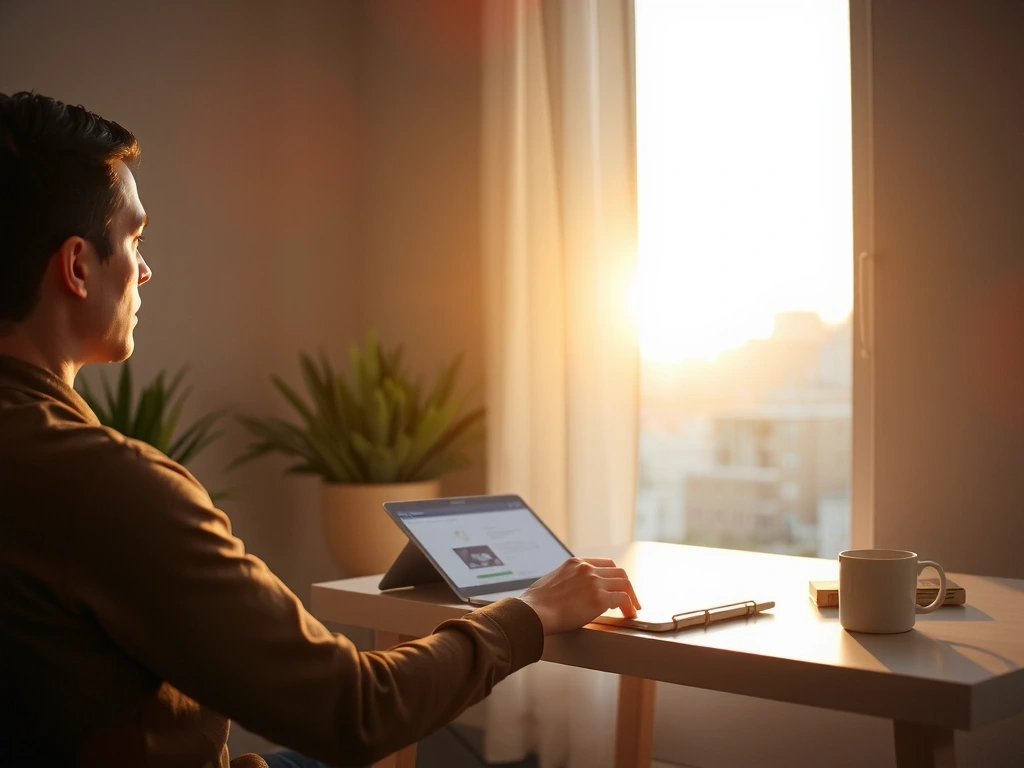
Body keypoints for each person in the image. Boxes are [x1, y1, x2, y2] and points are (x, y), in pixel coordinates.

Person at [0, 91, 642, 768]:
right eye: (135, 239)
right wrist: (531, 613)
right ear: (76, 267)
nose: (147, 269)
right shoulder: (105, 485)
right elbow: (354, 711)